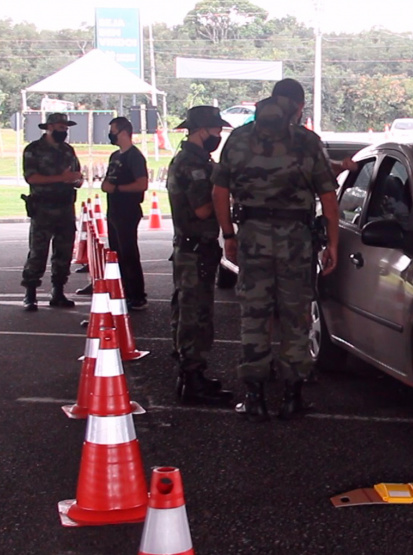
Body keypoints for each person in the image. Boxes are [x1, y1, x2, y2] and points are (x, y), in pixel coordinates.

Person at [213, 78, 341, 422]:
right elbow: (329, 198)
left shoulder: (238, 139)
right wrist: (332, 243)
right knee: (295, 314)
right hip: (296, 239)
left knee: (255, 314)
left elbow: (219, 191)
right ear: (297, 107)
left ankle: (254, 397)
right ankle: (291, 396)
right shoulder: (307, 141)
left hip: (252, 235)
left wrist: (229, 234)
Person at [166, 106, 235, 406]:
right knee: (196, 315)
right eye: (215, 130)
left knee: (187, 312)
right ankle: (192, 379)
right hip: (195, 249)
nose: (218, 135)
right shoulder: (193, 165)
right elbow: (203, 209)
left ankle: (190, 375)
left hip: (190, 247)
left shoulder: (194, 160)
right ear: (200, 131)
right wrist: (225, 193)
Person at [20, 113, 83, 311]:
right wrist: (60, 178)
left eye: (65, 128)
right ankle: (30, 293)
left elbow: (76, 176)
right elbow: (32, 178)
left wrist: (76, 180)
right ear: (49, 127)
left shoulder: (68, 151)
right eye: (59, 127)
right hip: (43, 208)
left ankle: (58, 291)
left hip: (65, 207)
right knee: (38, 251)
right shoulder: (34, 150)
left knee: (63, 251)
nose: (63, 131)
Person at [101, 116, 149, 311]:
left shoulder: (134, 157)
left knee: (128, 253)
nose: (111, 134)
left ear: (122, 132)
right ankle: (124, 291)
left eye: (113, 130)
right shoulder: (115, 156)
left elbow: (142, 184)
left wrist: (117, 189)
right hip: (114, 209)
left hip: (128, 210)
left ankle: (137, 295)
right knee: (117, 252)